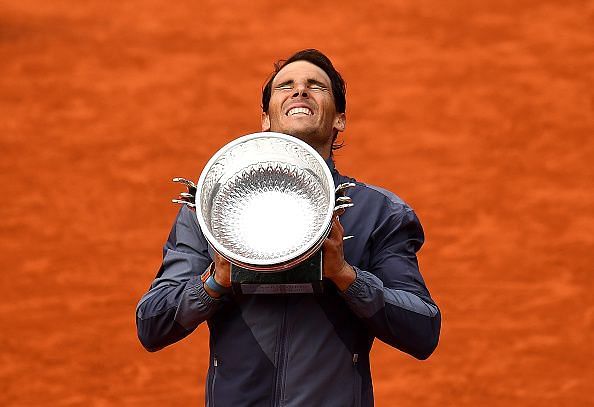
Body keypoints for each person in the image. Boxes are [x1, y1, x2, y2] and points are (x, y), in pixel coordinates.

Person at [136, 49, 441, 406]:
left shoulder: (379, 212)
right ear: (264, 118)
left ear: (340, 119)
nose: (300, 91)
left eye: (316, 86)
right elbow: (152, 324)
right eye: (286, 85)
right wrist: (214, 282)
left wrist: (346, 276)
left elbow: (423, 329)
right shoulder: (211, 209)